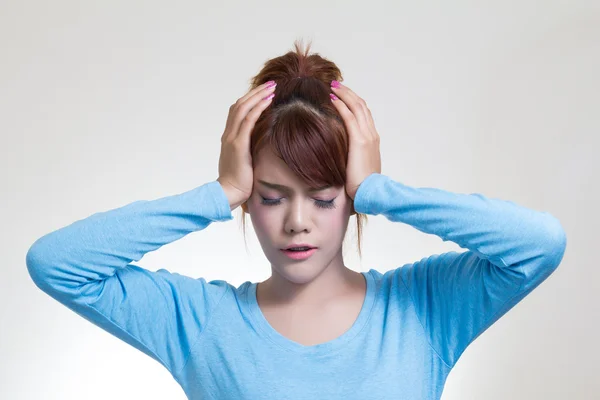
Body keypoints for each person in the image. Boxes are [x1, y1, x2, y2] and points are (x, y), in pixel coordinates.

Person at [26, 40, 567, 399]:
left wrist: (381, 191)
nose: (297, 222)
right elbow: (55, 263)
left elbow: (538, 243)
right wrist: (220, 192)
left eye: (325, 198)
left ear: (351, 200)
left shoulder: (424, 309)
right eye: (270, 196)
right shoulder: (198, 322)